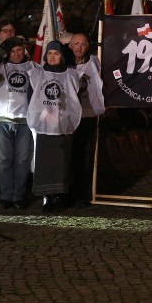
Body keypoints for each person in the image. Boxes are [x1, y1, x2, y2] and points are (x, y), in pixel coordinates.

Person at [27, 40, 82, 212]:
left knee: (61, 162)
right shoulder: (36, 74)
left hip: (63, 125)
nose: (52, 57)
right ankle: (46, 196)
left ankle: (59, 195)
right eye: (49, 53)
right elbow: (32, 100)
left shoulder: (71, 75)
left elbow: (74, 99)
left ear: (62, 56)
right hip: (43, 126)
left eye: (56, 53)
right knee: (44, 162)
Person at [0, 37, 36, 209]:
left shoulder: (32, 67)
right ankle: (5, 195)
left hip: (25, 119)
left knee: (22, 160)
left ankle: (19, 195)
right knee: (4, 160)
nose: (17, 54)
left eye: (20, 50)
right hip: (2, 118)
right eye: (13, 51)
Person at [67, 32, 105, 207]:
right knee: (70, 155)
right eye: (76, 43)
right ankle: (67, 192)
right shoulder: (64, 64)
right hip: (68, 117)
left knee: (85, 156)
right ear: (70, 46)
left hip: (89, 115)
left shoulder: (94, 62)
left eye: (83, 44)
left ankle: (82, 193)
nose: (79, 47)